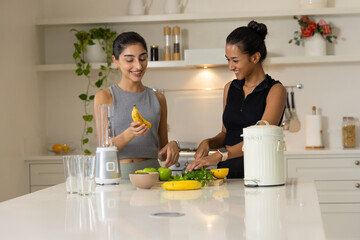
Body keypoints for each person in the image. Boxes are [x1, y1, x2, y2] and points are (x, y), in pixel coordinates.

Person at [185, 21, 286, 178]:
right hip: (226, 176)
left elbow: (261, 139)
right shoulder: (229, 88)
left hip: (260, 176)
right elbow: (226, 133)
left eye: (235, 60)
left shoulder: (275, 90)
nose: (230, 66)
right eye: (228, 60)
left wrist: (220, 154)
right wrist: (208, 143)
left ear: (255, 57)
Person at [94, 31, 179, 179]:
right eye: (129, 60)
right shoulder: (105, 96)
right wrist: (130, 133)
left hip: (152, 176)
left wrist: (172, 146)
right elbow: (104, 148)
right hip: (117, 176)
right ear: (116, 61)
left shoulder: (158, 98)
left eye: (142, 58)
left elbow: (162, 153)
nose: (138, 66)